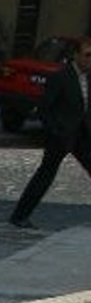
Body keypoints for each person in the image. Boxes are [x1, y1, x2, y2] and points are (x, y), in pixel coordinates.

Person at [9, 37, 91, 230]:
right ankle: (20, 216)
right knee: (46, 174)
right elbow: (44, 109)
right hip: (62, 135)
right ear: (76, 55)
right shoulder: (61, 77)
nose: (90, 60)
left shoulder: (89, 77)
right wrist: (56, 131)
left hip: (82, 135)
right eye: (88, 55)